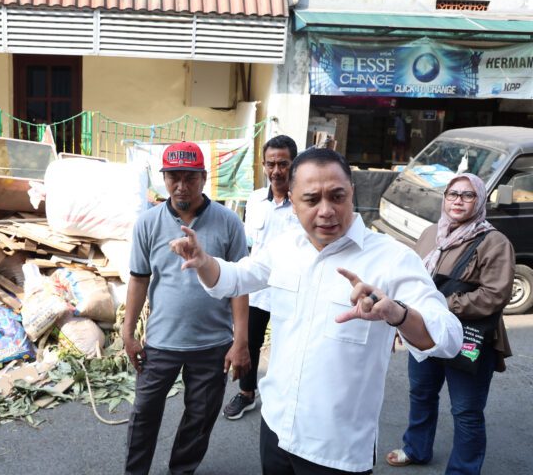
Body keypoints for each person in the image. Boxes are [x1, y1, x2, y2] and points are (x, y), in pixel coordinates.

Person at [169, 148, 463, 475]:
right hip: (277, 428)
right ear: (292, 202)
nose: (326, 211)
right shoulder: (284, 247)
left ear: (352, 192)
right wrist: (203, 261)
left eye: (337, 196)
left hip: (337, 449)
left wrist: (398, 313)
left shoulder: (392, 259)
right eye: (311, 200)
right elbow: (234, 278)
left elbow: (449, 337)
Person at [122, 141, 250, 475]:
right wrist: (127, 333)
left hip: (212, 345)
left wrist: (240, 341)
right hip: (161, 342)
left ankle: (181, 471)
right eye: (174, 176)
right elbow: (138, 280)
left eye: (189, 177)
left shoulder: (228, 222)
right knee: (144, 414)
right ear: (163, 179)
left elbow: (239, 285)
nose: (181, 185)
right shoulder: (147, 224)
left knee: (199, 418)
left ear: (203, 178)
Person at [386, 173, 514, 474]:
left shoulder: (494, 242)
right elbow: (412, 280)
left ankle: (463, 470)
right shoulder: (432, 233)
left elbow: (495, 295)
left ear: (480, 199)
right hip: (426, 331)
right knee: (421, 392)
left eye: (467, 195)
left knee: (466, 410)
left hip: (470, 337)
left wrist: (442, 306)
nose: (458, 200)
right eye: (452, 193)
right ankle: (416, 448)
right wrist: (401, 320)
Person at [223, 135, 300, 420]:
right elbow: (248, 244)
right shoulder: (255, 200)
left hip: (290, 288)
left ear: (293, 164)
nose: (276, 171)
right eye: (271, 164)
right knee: (248, 342)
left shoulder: (303, 202)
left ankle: (287, 396)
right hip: (256, 288)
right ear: (263, 165)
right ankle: (247, 394)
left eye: (283, 164)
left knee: (288, 345)